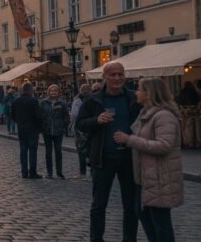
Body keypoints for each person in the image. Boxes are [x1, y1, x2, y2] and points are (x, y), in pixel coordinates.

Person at [76, 62, 141, 242]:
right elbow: (80, 124)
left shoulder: (134, 98)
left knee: (131, 205)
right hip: (103, 158)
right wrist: (96, 120)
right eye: (112, 74)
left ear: (125, 76)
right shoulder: (93, 99)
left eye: (120, 74)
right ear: (104, 77)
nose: (117, 78)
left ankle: (130, 239)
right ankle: (96, 239)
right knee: (99, 204)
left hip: (129, 157)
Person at [113, 78, 183, 242]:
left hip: (160, 176)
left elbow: (164, 145)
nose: (136, 92)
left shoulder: (164, 116)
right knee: (142, 212)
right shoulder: (146, 112)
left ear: (148, 93)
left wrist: (129, 140)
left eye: (139, 89)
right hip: (146, 176)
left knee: (160, 221)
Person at [10, 83, 43, 179]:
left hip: (21, 128)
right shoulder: (33, 101)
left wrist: (20, 122)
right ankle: (32, 172)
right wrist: (39, 127)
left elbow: (12, 115)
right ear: (30, 90)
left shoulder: (16, 101)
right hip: (32, 129)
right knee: (32, 151)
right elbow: (38, 116)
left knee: (23, 151)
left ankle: (24, 172)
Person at [41, 84, 69, 179]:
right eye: (52, 91)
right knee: (48, 152)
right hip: (47, 130)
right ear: (48, 92)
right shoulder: (44, 102)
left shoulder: (62, 103)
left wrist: (63, 126)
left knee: (58, 152)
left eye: (55, 91)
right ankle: (49, 173)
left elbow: (66, 116)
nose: (53, 92)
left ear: (58, 92)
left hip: (58, 130)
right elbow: (40, 115)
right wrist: (43, 125)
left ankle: (59, 172)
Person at [71, 84, 92, 178]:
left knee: (81, 151)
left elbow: (74, 114)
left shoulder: (77, 100)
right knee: (91, 150)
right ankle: (92, 172)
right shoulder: (93, 99)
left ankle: (83, 173)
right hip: (90, 127)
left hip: (80, 129)